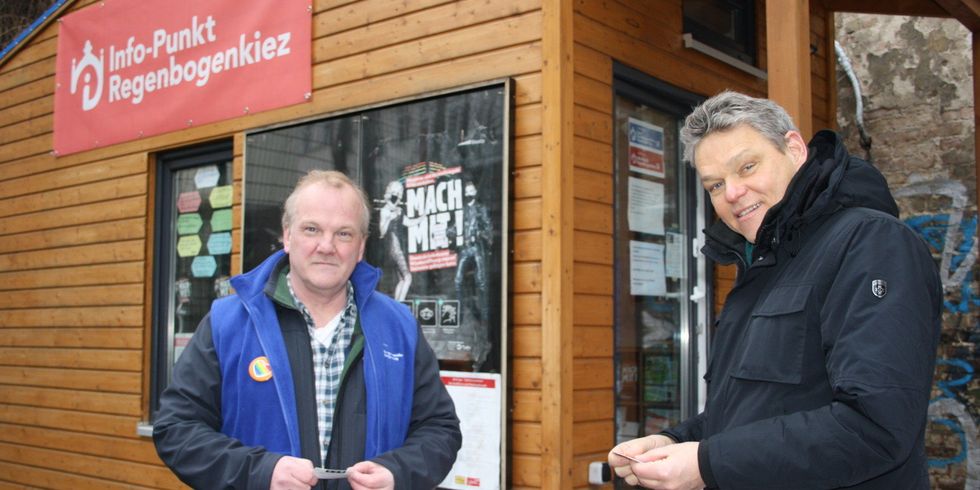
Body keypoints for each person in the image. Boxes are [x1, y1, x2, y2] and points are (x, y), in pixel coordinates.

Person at [608, 91, 941, 489]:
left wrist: (705, 463)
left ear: (794, 149)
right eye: (715, 185)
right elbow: (748, 412)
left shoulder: (872, 243)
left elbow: (875, 427)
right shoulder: (760, 266)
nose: (732, 193)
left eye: (747, 166)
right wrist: (674, 441)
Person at [154, 170, 462, 490]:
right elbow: (176, 429)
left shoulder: (399, 328)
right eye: (312, 229)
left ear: (361, 247)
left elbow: (440, 429)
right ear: (288, 236)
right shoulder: (227, 323)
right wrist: (259, 472)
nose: (326, 246)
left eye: (343, 234)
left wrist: (398, 472)